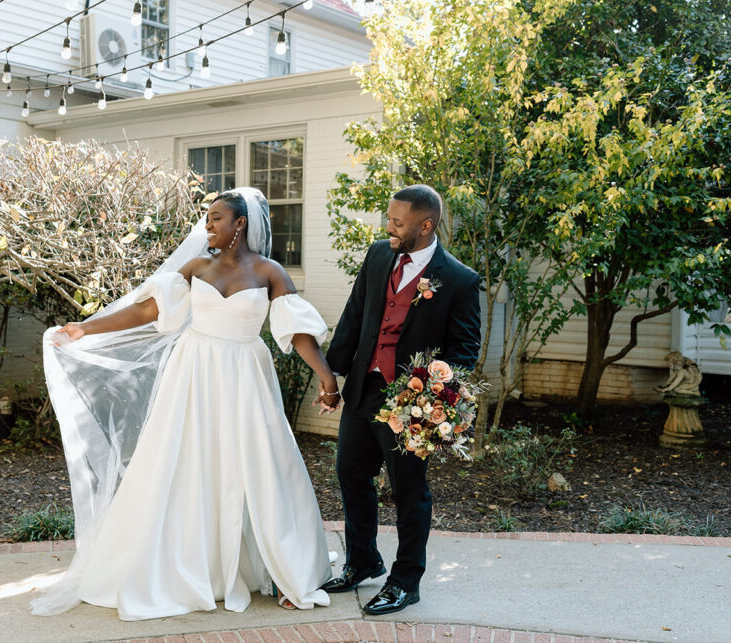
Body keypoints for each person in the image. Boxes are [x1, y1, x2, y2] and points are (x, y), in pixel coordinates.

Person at [32, 188, 340, 621]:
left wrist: (327, 379)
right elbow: (145, 312)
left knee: (264, 463)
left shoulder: (271, 272)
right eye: (207, 218)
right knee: (185, 461)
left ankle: (283, 566)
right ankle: (189, 565)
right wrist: (87, 327)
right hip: (194, 372)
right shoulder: (195, 267)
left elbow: (299, 334)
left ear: (241, 223)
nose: (208, 226)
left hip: (246, 375)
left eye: (216, 218)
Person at [317, 184, 481, 615]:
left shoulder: (459, 280)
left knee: (409, 492)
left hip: (410, 405)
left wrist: (426, 395)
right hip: (363, 388)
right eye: (388, 218)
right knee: (351, 475)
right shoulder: (377, 256)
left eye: (397, 222)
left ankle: (406, 581)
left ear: (425, 226)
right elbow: (356, 315)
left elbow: (465, 350)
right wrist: (331, 376)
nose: (388, 226)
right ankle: (363, 560)